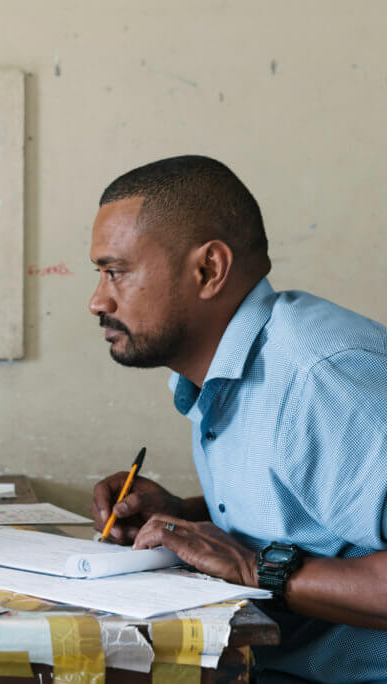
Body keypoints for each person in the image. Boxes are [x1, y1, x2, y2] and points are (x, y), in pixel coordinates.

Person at [87, 155, 387, 683]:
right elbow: (321, 514)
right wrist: (184, 515)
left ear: (208, 270)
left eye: (116, 272)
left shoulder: (321, 379)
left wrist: (253, 570)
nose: (98, 300)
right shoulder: (227, 371)